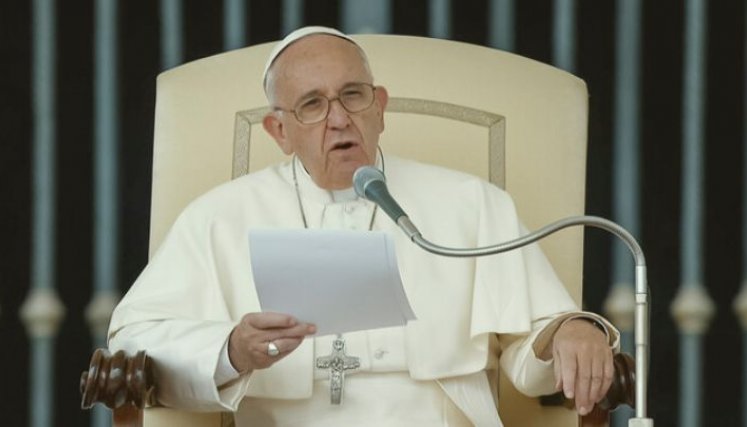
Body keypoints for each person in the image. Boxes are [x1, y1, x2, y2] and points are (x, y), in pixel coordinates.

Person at [108, 26, 619, 426]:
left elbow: (533, 344)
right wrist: (229, 350)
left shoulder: (472, 204)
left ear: (379, 107)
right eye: (312, 105)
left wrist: (570, 330)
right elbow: (134, 341)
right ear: (279, 131)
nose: (338, 119)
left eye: (353, 96)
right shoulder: (219, 216)